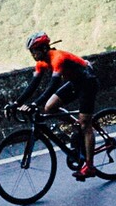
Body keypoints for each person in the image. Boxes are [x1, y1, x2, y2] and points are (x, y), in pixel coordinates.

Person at [12, 32, 101, 180]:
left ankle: (90, 166)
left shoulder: (57, 58)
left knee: (86, 124)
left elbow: (53, 85)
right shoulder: (41, 63)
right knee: (49, 107)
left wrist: (34, 104)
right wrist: (16, 103)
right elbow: (33, 85)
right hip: (74, 83)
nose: (33, 54)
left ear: (44, 48)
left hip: (87, 82)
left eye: (35, 50)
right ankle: (75, 124)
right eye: (31, 51)